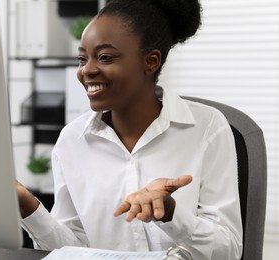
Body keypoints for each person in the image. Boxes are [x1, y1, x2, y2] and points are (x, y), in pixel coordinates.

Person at [16, 0, 243, 259]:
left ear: (151, 61)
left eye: (105, 57)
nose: (87, 70)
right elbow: (71, 249)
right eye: (82, 59)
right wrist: (28, 206)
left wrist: (171, 213)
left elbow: (229, 250)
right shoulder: (71, 140)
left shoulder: (207, 128)